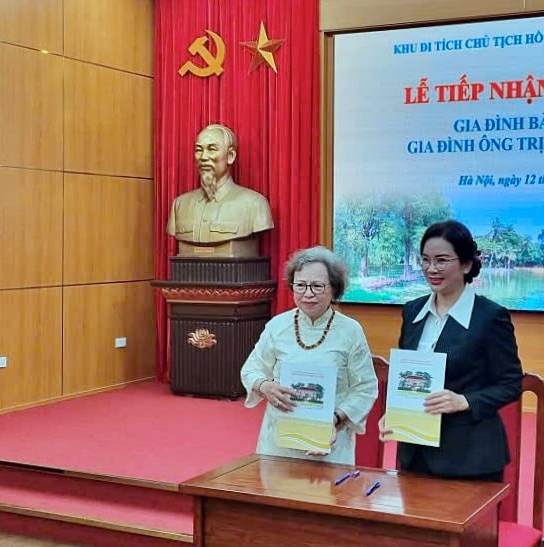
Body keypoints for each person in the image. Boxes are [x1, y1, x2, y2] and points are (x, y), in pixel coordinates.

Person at [381, 220, 523, 481]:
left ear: (466, 264)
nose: (431, 269)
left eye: (442, 260)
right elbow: (409, 377)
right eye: (425, 260)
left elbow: (511, 384)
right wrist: (396, 413)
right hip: (415, 452)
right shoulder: (412, 311)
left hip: (470, 458)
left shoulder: (490, 317)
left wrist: (465, 401)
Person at [241, 246, 378, 464]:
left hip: (331, 443)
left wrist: (335, 419)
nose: (308, 293)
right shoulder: (277, 326)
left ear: (334, 288)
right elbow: (250, 370)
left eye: (317, 286)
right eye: (301, 285)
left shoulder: (350, 331)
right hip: (278, 444)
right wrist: (264, 386)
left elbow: (366, 388)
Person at [166, 123, 274, 256]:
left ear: (230, 156)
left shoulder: (255, 204)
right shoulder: (180, 205)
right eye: (199, 150)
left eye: (212, 149)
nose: (203, 157)